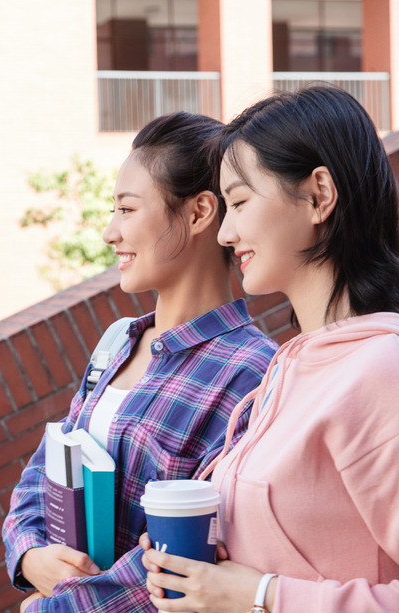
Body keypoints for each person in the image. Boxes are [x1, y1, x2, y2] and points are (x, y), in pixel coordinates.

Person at [2, 112, 278, 613]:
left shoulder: (253, 373)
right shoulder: (117, 341)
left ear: (198, 214)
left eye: (127, 210)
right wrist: (30, 555)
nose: (110, 232)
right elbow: (45, 467)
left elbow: (186, 555)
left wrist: (51, 608)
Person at [140, 86, 399, 613]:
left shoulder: (380, 372)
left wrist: (262, 596)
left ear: (318, 195)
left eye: (238, 202)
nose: (226, 232)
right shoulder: (293, 367)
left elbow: (268, 588)